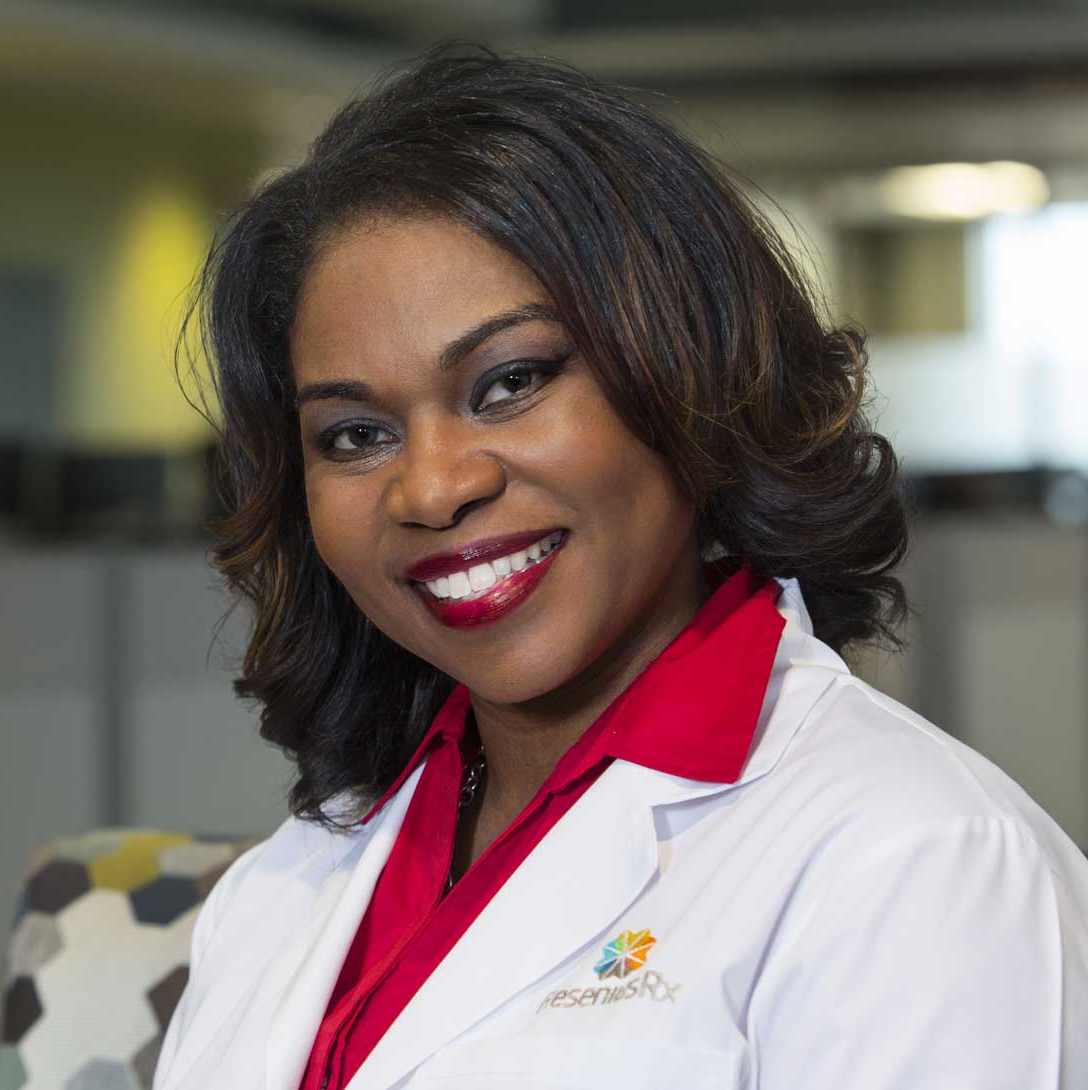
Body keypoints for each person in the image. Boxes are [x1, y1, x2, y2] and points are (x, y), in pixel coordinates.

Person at [153, 47, 1088, 1090]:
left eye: (509, 381)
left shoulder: (921, 859)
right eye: (356, 434)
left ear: (689, 370)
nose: (431, 488)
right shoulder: (294, 878)